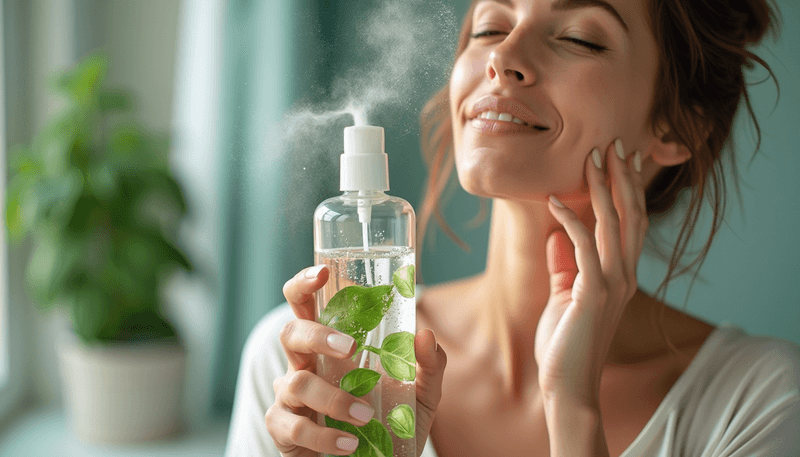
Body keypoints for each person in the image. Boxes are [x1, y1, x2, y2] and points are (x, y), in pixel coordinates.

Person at [225, 0, 800, 455]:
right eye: (489, 26)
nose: (503, 56)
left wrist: (573, 409)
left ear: (678, 123)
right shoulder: (309, 365)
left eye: (579, 36)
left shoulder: (757, 400)